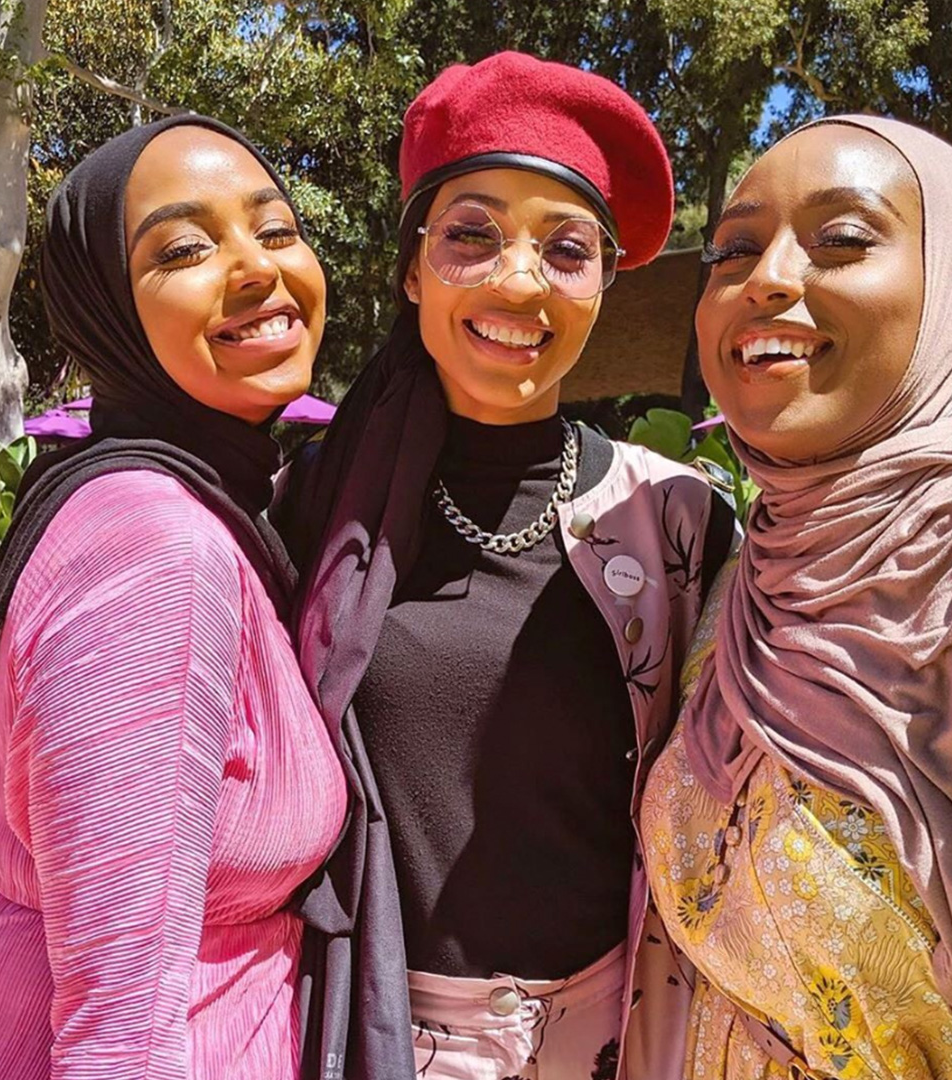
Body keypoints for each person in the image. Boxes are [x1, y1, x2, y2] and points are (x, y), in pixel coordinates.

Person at [276, 51, 737, 1080]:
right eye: (472, 235)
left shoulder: (676, 520)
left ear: (604, 284)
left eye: (567, 249)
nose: (519, 281)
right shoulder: (316, 506)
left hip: (618, 1036)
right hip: (371, 1028)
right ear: (412, 268)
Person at [641, 115, 952, 1077]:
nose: (768, 278)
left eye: (844, 239)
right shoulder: (749, 573)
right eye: (732, 250)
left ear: (950, 287)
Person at [0, 116, 348, 1080]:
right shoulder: (154, 548)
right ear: (105, 308)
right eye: (184, 249)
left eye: (275, 229)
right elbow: (118, 1037)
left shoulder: (181, 499)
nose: (256, 267)